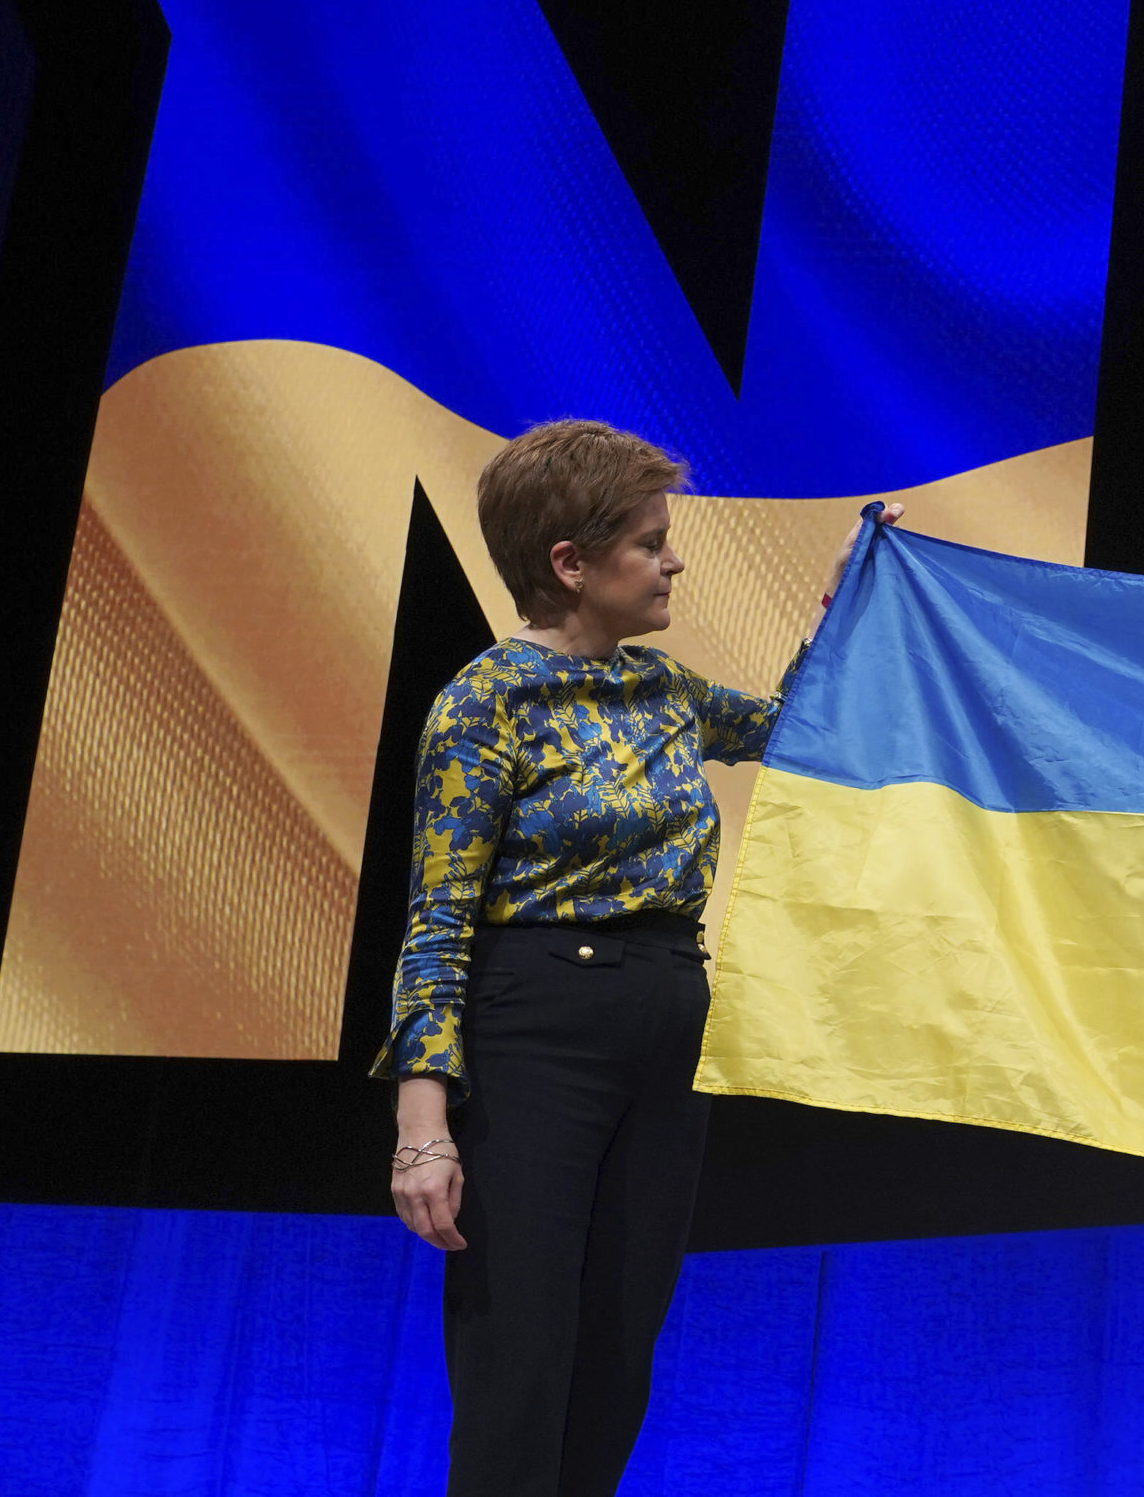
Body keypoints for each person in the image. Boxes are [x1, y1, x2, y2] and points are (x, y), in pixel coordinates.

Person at [375, 419, 897, 1496]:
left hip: (667, 1029)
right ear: (569, 564)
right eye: (649, 542)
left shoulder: (662, 688)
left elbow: (798, 731)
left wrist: (849, 595)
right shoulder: (485, 703)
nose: (673, 560)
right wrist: (422, 1126)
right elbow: (437, 920)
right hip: (538, 1032)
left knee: (614, 1364)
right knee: (519, 1362)